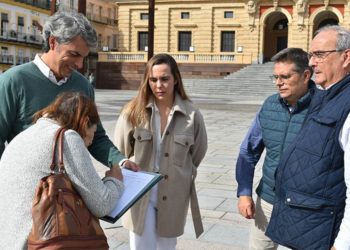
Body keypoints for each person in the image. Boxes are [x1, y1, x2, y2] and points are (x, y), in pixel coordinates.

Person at [0, 11, 137, 171]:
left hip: (71, 190)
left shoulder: (83, 85)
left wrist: (120, 162)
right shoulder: (13, 81)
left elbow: (96, 137)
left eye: (83, 57)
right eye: (74, 54)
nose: (79, 64)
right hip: (26, 189)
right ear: (52, 42)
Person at [0, 92, 124, 249]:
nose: (89, 143)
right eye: (92, 135)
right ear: (85, 122)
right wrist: (115, 180)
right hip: (37, 243)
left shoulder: (25, 135)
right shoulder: (67, 138)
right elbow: (102, 204)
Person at [266, 25, 350, 250]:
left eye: (320, 55)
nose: (312, 63)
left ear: (346, 57)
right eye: (312, 55)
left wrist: (342, 245)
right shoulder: (326, 96)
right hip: (302, 228)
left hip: (321, 235)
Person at [114, 53, 208, 250]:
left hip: (174, 193)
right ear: (147, 81)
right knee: (141, 247)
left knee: (167, 247)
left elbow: (197, 153)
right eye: (153, 79)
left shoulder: (192, 115)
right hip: (141, 193)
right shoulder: (133, 112)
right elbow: (119, 150)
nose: (159, 85)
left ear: (175, 79)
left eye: (165, 79)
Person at [236, 48, 313, 250]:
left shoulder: (322, 108)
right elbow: (248, 152)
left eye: (285, 77)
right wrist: (244, 192)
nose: (278, 82)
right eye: (275, 77)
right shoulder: (270, 105)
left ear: (306, 75)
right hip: (268, 202)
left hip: (305, 208)